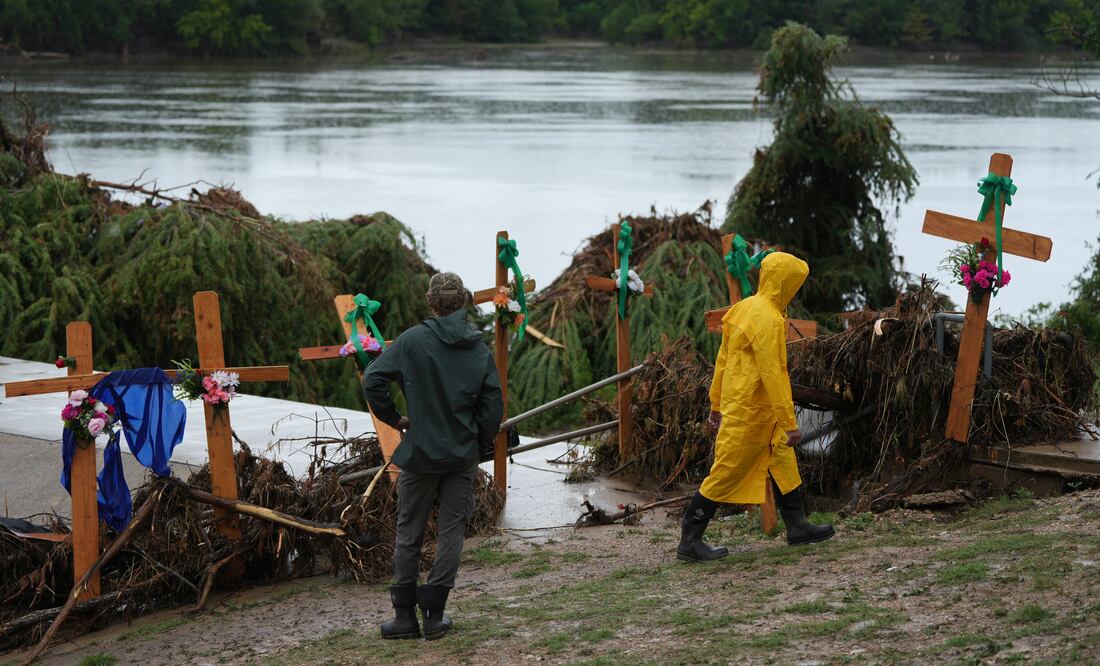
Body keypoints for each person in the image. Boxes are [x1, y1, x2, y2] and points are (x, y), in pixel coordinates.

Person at [363, 272, 504, 640]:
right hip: (461, 456)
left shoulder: (412, 341)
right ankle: (435, 615)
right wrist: (477, 443)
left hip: (420, 453)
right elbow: (493, 407)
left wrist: (395, 420)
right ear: (465, 302)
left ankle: (405, 618)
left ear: (431, 302)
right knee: (452, 533)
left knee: (409, 532)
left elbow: (372, 379)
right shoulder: (478, 348)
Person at [677, 252, 834, 563]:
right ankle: (690, 540)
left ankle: (797, 526)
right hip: (751, 412)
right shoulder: (768, 318)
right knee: (726, 471)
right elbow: (772, 372)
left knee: (783, 463)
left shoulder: (744, 309)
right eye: (794, 283)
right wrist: (790, 422)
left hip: (754, 410)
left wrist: (715, 403)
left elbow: (722, 362)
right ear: (784, 283)